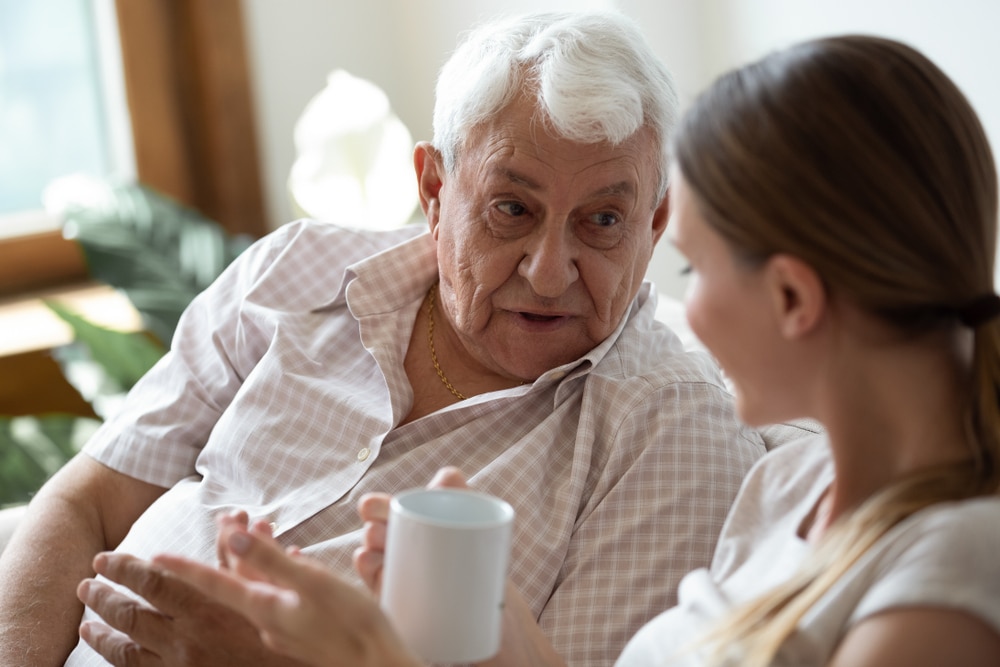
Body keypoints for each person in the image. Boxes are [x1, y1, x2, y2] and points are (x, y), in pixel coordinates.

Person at [154, 33, 1000, 667]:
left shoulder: (944, 582)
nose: (554, 273)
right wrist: (487, 624)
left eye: (691, 266)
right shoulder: (789, 490)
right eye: (512, 211)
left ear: (792, 298)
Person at [0, 10, 771, 667]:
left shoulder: (674, 428)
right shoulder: (296, 271)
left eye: (602, 220)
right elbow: (86, 501)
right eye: (513, 208)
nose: (547, 272)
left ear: (655, 224)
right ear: (435, 190)